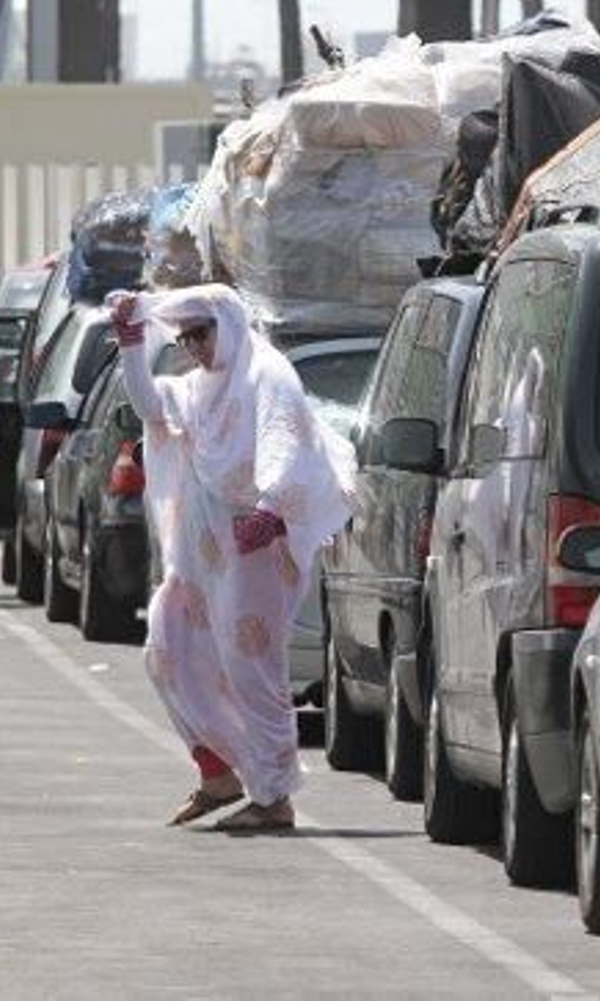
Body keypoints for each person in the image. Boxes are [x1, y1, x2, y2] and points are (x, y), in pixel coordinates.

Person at [109, 286, 354, 832]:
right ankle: (217, 772)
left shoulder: (267, 374)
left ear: (229, 324)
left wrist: (269, 508)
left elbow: (284, 437)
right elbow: (151, 407)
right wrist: (129, 342)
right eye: (185, 336)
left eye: (202, 332)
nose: (194, 345)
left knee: (250, 664)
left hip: (255, 543)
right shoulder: (201, 388)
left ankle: (273, 794)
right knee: (169, 644)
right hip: (204, 548)